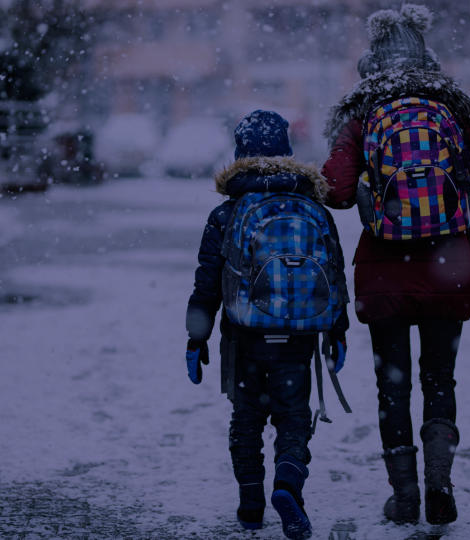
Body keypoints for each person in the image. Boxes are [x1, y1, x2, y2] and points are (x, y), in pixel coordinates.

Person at [321, 4, 470, 526]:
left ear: (371, 65)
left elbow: (332, 189)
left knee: (392, 385)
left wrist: (364, 191)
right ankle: (440, 482)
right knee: (440, 380)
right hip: (449, 268)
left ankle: (404, 497)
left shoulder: (364, 116)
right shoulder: (452, 116)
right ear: (429, 61)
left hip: (384, 274)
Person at [185, 110, 348, 540]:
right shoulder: (312, 206)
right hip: (298, 335)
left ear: (239, 154)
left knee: (247, 418)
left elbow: (207, 283)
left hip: (244, 337)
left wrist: (195, 337)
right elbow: (334, 272)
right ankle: (288, 484)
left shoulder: (228, 212)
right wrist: (337, 329)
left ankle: (251, 504)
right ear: (287, 153)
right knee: (293, 417)